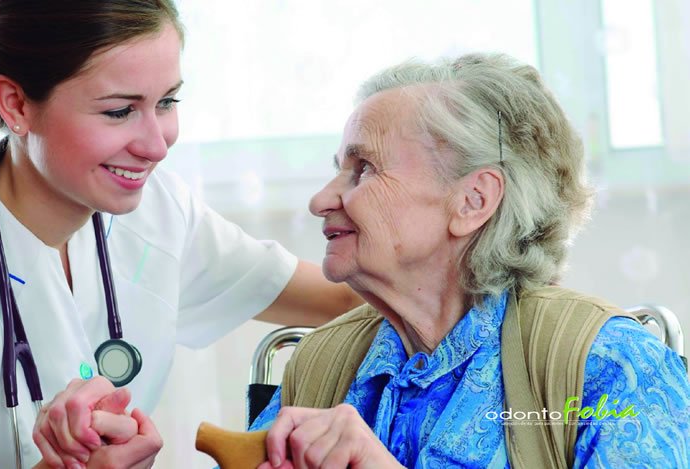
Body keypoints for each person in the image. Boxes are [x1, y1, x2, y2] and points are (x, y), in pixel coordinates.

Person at [0, 1, 362, 468]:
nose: (157, 143)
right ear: (15, 104)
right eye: (121, 110)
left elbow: (345, 297)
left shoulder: (157, 213)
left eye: (167, 101)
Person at [249, 53, 690, 468]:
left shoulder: (612, 366)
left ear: (472, 201)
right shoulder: (318, 363)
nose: (321, 200)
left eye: (364, 167)